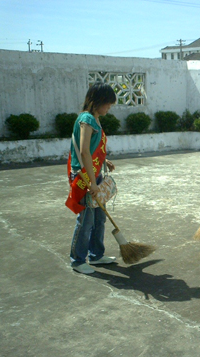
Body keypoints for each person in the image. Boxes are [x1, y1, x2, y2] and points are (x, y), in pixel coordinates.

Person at [65, 82, 118, 274]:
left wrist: (105, 161)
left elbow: (94, 150)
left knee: (98, 218)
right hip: (84, 177)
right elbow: (84, 151)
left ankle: (96, 255)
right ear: (98, 101)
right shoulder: (86, 119)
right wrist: (92, 184)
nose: (109, 108)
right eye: (108, 104)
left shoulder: (95, 119)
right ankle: (78, 260)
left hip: (94, 174)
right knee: (86, 220)